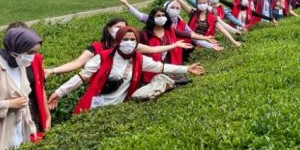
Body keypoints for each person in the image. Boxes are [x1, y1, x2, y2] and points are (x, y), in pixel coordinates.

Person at [48, 27, 205, 114]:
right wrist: (58, 93)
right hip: (95, 105)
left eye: (132, 40)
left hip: (119, 107)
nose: (129, 43)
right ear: (118, 41)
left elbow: (161, 67)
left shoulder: (139, 59)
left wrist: (187, 69)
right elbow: (81, 77)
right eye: (125, 39)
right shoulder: (102, 57)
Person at [46, 17, 192, 78]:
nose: (121, 31)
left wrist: (174, 45)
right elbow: (77, 63)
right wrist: (52, 70)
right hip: (102, 85)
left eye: (124, 28)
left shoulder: (129, 45)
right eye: (117, 28)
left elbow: (153, 50)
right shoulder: (98, 47)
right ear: (109, 29)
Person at [0, 27, 42, 150]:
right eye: (30, 52)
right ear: (17, 48)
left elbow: (24, 102)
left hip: (19, 134)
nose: (33, 57)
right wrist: (8, 104)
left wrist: (31, 129)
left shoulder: (20, 65)